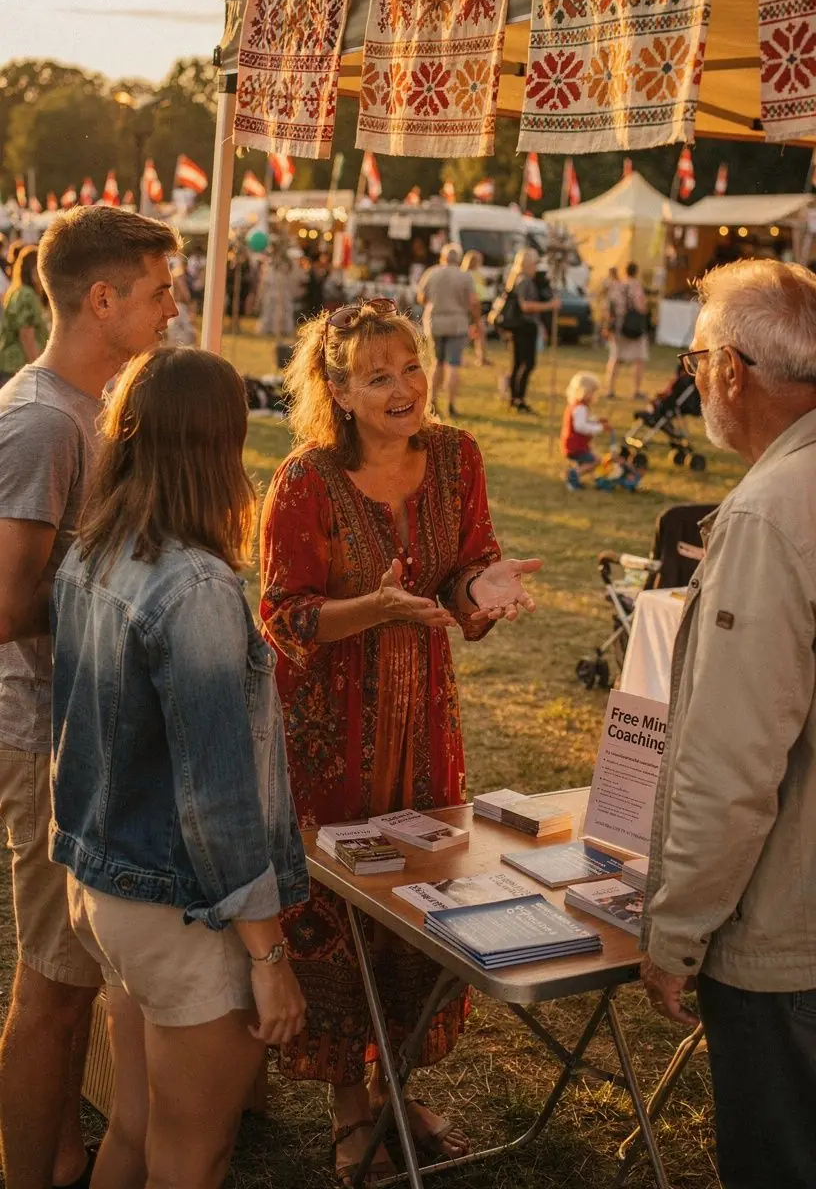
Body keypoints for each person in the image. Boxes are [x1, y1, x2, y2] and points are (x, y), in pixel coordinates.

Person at [259, 299, 542, 1186]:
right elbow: (283, 614)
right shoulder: (305, 480)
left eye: (410, 366)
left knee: (423, 902)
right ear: (338, 391)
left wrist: (480, 588)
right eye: (378, 376)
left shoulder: (459, 456)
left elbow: (463, 569)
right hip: (327, 739)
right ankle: (352, 1111)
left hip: (425, 729)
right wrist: (372, 608)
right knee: (342, 911)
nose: (404, 387)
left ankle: (397, 1083)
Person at [49, 348, 309, 1189]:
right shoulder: (194, 585)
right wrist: (269, 961)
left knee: (133, 1129)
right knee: (194, 1155)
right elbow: (219, 799)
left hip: (102, 889)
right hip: (178, 908)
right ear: (218, 444)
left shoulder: (94, 552)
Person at [0, 205, 180, 1189]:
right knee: (52, 987)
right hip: (37, 732)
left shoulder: (88, 408)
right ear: (102, 299)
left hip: (80, 730)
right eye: (160, 291)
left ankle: (66, 1158)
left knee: (75, 977)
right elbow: (6, 603)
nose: (174, 308)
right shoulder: (40, 420)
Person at [639, 260, 816, 1189]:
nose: (694, 374)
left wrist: (676, 934)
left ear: (734, 373)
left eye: (698, 356)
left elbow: (732, 761)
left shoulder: (769, 513)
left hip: (791, 945)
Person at [416, 242, 480, 417]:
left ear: (442, 257)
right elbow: (473, 302)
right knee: (453, 365)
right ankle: (451, 404)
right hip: (457, 323)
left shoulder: (431, 273)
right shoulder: (464, 277)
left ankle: (432, 400)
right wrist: (476, 320)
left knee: (437, 362)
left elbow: (421, 297)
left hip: (435, 322)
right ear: (458, 259)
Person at [502, 249, 560, 414]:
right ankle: (518, 397)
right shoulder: (525, 281)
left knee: (518, 363)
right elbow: (525, 306)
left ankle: (515, 398)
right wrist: (550, 306)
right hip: (524, 326)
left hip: (519, 327)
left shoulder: (516, 279)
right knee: (527, 363)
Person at [0, 245, 49, 388]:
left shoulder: (17, 291)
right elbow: (26, 334)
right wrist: (37, 371)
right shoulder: (27, 295)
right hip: (18, 366)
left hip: (11, 366)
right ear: (34, 270)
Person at [604, 261, 649, 399]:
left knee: (615, 359)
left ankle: (610, 390)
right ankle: (636, 390)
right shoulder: (636, 286)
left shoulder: (617, 286)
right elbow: (640, 306)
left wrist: (607, 326)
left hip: (617, 327)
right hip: (633, 328)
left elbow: (608, 307)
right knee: (639, 359)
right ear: (636, 272)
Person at [561, 373, 608, 490]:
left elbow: (584, 421)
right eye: (593, 393)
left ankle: (573, 476)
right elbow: (581, 427)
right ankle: (573, 475)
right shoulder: (580, 408)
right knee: (595, 461)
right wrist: (600, 428)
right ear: (584, 392)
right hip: (576, 446)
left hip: (573, 444)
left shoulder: (576, 406)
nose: (594, 396)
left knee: (585, 461)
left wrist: (597, 421)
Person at [460, 250, 491, 367]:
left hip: (479, 305)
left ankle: (481, 358)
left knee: (479, 332)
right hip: (470, 306)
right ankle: (462, 358)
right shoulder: (465, 275)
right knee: (472, 332)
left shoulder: (477, 274)